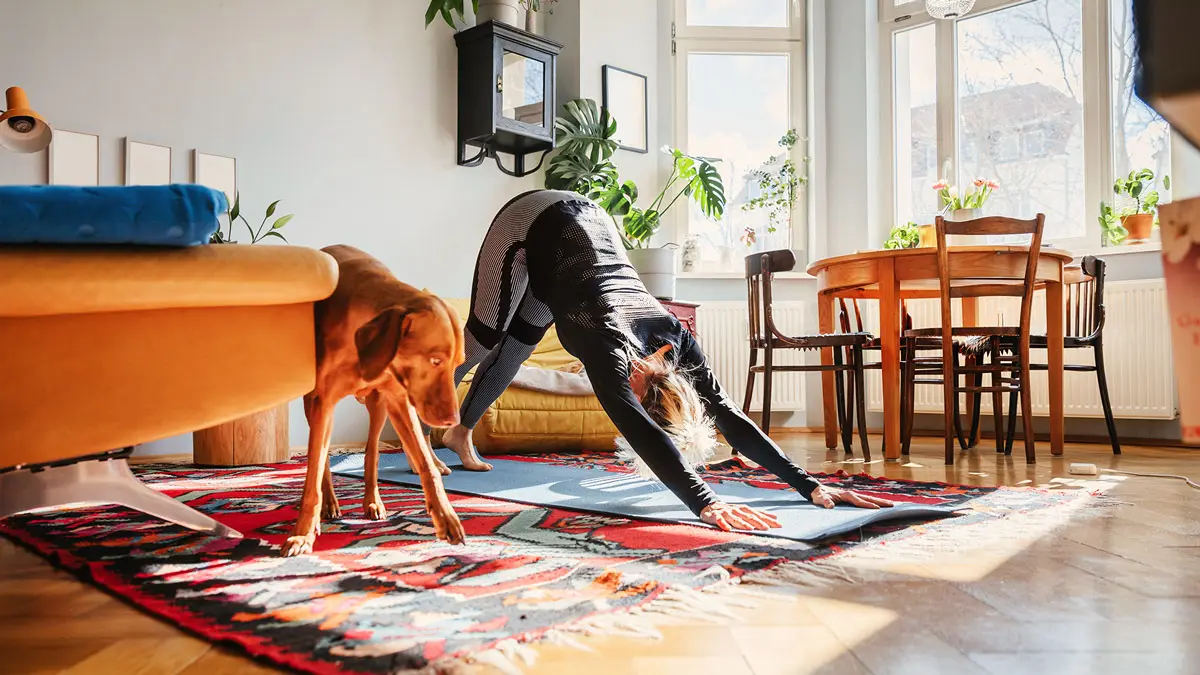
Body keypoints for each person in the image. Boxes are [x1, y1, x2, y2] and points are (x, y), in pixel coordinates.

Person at [440, 190, 893, 531]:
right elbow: (641, 430)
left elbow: (730, 417)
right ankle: (420, 412)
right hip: (535, 220)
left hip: (566, 266)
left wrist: (808, 485)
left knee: (515, 350)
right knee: (481, 342)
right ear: (651, 387)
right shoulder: (615, 346)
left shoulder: (680, 349)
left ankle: (460, 431)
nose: (624, 397)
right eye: (634, 397)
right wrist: (705, 501)